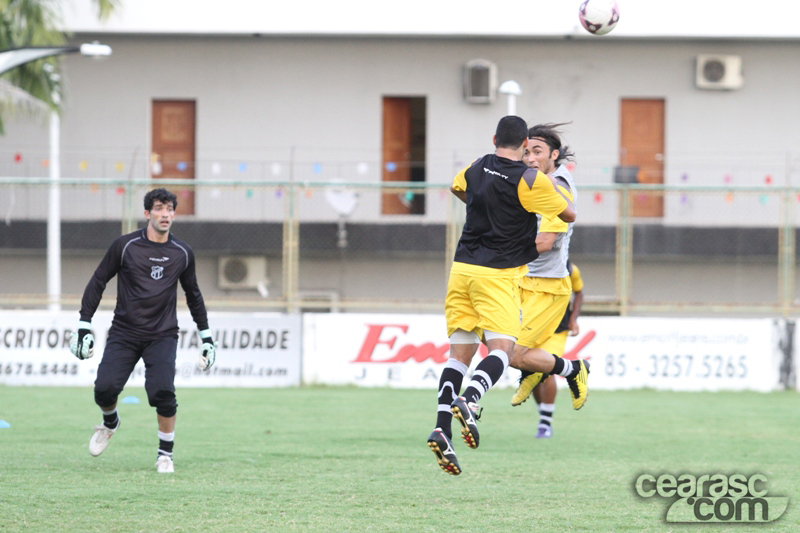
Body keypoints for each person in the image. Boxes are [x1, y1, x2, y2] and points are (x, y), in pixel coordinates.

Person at [427, 116, 576, 476]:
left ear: (494, 138)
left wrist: (487, 205)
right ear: (525, 144)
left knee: (458, 355)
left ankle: (442, 429)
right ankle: (472, 398)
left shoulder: (478, 166)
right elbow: (568, 214)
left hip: (461, 270)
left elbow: (457, 189)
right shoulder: (530, 180)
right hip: (498, 274)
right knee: (502, 349)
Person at [69, 188, 217, 474]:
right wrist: (84, 324)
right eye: (159, 208)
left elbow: (194, 294)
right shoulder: (125, 246)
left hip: (162, 335)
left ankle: (165, 455)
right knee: (104, 389)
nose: (165, 214)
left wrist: (206, 336)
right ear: (148, 213)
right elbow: (98, 280)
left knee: (162, 392)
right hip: (124, 333)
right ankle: (110, 423)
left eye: (170, 209)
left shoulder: (182, 253)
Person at [508, 124, 590, 412]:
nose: (530, 158)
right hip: (524, 280)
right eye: (526, 151)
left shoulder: (557, 185)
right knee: (499, 342)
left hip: (547, 284)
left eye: (537, 152)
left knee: (511, 352)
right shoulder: (535, 180)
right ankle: (533, 373)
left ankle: (573, 368)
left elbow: (549, 241)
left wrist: (503, 248)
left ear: (554, 155)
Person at [528, 261, 585, 438]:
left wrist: (573, 319)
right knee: (531, 374)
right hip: (533, 327)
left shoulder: (570, 269)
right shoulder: (529, 265)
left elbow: (579, 292)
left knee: (547, 369)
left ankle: (545, 423)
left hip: (557, 329)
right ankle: (544, 412)